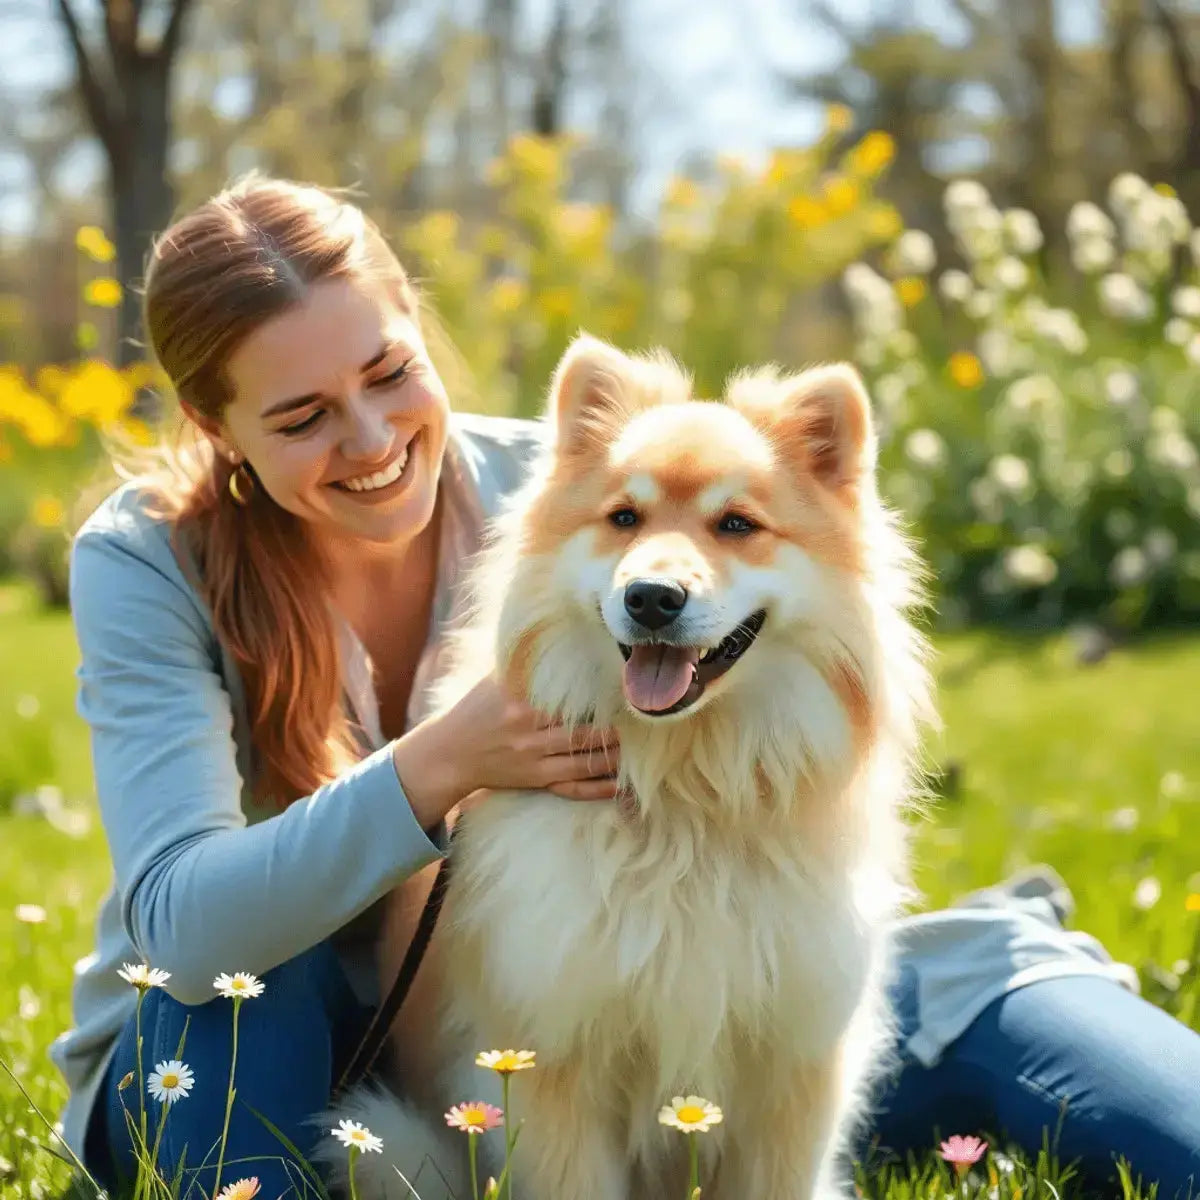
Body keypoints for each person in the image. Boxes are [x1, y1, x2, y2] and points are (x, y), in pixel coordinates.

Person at [49, 174, 1200, 1200]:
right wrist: (450, 758)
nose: (372, 438)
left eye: (391, 372)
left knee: (1145, 1116)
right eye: (302, 417)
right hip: (288, 1029)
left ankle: (999, 987)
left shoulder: (569, 473)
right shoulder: (149, 557)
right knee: (252, 1079)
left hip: (705, 990)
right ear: (217, 426)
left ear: (418, 329)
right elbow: (185, 929)